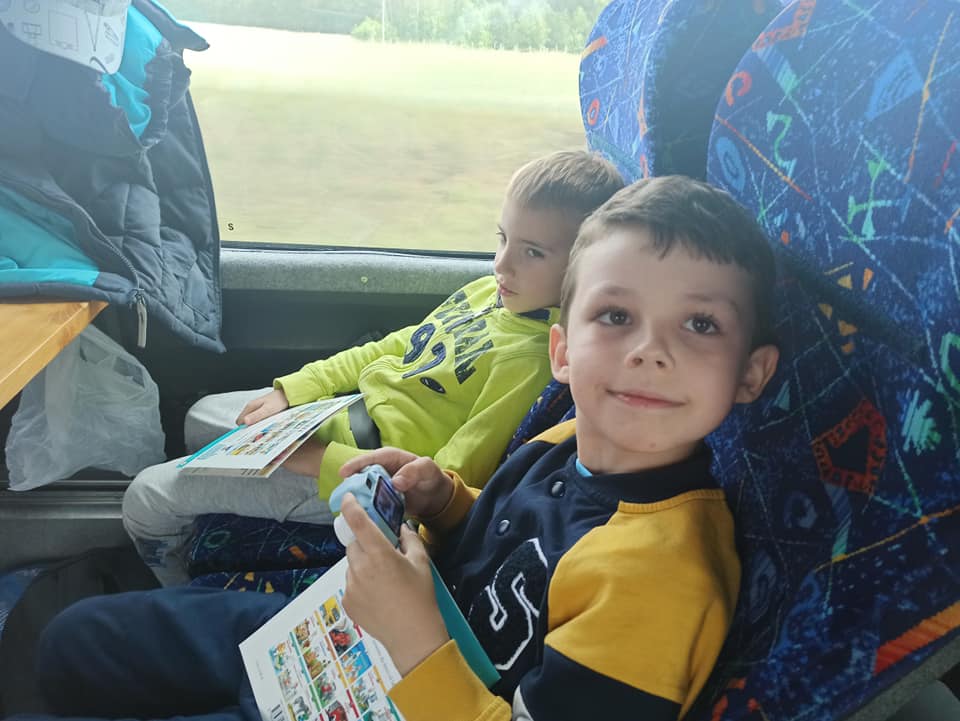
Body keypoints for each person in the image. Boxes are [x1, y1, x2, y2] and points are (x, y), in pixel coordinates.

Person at [11, 176, 780, 721]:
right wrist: (443, 498)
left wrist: (414, 640)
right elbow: (507, 544)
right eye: (615, 316)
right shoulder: (568, 437)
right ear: (562, 351)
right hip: (362, 645)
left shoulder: (658, 580)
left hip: (413, 675)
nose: (649, 350)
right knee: (73, 643)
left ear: (751, 373)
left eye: (700, 324)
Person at [123, 150, 624, 586]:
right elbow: (397, 346)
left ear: (584, 268)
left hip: (357, 473)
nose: (502, 264)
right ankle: (207, 503)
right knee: (200, 416)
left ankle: (171, 577)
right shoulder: (489, 294)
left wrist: (315, 458)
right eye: (502, 238)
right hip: (340, 415)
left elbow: (443, 479)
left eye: (532, 252)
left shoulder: (528, 361)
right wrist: (295, 391)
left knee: (146, 496)